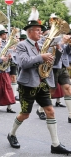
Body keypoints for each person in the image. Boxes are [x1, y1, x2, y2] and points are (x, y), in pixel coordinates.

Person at [7, 17, 71, 155]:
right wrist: (41, 57)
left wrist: (58, 49)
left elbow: (54, 62)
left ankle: (55, 144)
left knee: (50, 111)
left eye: (41, 30)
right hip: (28, 84)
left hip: (43, 82)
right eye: (37, 30)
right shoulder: (22, 45)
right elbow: (23, 63)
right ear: (29, 32)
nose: (40, 33)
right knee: (25, 114)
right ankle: (11, 134)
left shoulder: (43, 42)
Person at [0, 36, 16, 113]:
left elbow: (9, 61)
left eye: (0, 42)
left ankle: (9, 107)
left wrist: (9, 57)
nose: (0, 44)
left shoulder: (4, 50)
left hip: (5, 71)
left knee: (8, 89)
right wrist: (0, 59)